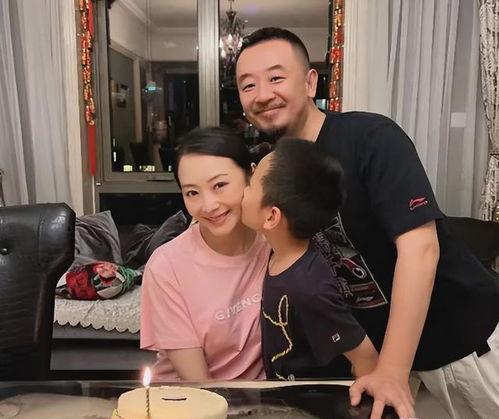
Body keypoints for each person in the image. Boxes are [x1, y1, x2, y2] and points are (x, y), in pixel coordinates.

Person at [235, 27, 499, 419]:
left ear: (310, 82)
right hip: (382, 358)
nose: (262, 94)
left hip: (464, 337)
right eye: (248, 85)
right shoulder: (277, 167)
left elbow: (421, 248)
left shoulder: (370, 137)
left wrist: (392, 369)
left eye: (275, 77)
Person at [241, 138, 379, 381]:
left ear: (272, 217)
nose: (244, 190)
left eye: (251, 185)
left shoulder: (309, 288)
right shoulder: (276, 254)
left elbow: (366, 357)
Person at [140, 126, 271, 381]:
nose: (208, 205)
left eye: (219, 185)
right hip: (190, 397)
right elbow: (198, 383)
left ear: (251, 175)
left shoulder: (275, 242)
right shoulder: (167, 265)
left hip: (260, 398)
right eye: (192, 193)